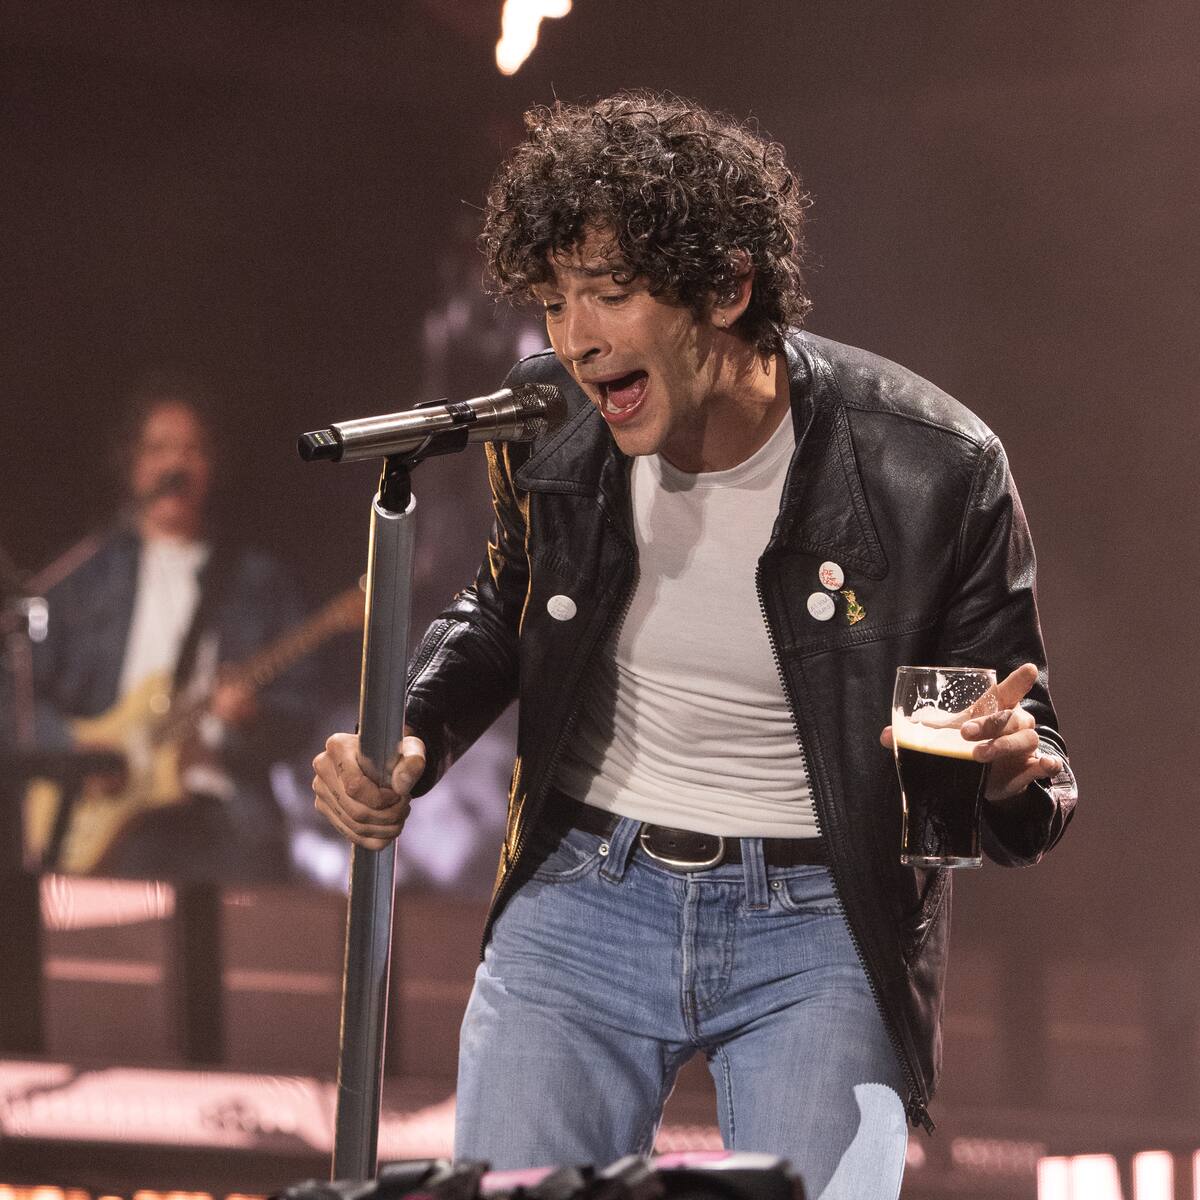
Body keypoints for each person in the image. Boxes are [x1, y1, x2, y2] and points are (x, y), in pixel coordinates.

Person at [311, 93, 1077, 1198]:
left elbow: (1020, 749)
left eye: (611, 293)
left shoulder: (934, 467)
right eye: (554, 300)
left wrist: (1008, 771)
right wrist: (413, 732)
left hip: (824, 925)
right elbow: (502, 603)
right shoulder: (548, 417)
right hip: (584, 893)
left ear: (727, 286)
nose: (574, 339)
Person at [26, 374, 317, 882]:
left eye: (191, 449)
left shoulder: (256, 580)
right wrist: (70, 748)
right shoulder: (84, 575)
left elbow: (304, 710)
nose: (175, 464)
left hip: (223, 809)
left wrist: (250, 719)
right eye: (159, 448)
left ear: (212, 467)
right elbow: (16, 690)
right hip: (108, 812)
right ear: (131, 464)